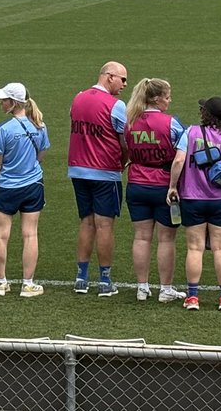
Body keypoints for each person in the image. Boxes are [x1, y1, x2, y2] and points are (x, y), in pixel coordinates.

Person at [167, 96, 221, 311]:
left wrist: (173, 186)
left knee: (194, 248)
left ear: (205, 113)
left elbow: (179, 160)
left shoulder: (190, 133)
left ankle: (192, 297)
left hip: (192, 198)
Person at [68, 61, 129, 296]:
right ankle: (105, 280)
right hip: (105, 171)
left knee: (86, 222)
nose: (124, 84)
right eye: (122, 79)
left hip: (78, 169)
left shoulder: (78, 98)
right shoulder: (116, 105)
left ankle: (81, 278)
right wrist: (123, 161)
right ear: (109, 76)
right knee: (105, 225)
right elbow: (125, 142)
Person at [124, 77, 186, 304]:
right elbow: (182, 152)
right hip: (163, 185)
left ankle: (142, 288)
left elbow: (127, 148)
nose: (169, 101)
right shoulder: (170, 123)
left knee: (141, 237)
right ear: (157, 98)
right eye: (167, 97)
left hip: (136, 184)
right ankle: (165, 289)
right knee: (166, 240)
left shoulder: (130, 121)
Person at [0, 82, 49, 298]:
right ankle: (27, 284)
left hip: (7, 186)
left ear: (14, 103)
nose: (1, 102)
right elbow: (40, 156)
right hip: (33, 185)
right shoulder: (40, 126)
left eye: (4, 99)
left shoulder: (4, 129)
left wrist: (3, 174)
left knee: (1, 234)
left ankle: (1, 283)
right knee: (30, 234)